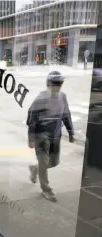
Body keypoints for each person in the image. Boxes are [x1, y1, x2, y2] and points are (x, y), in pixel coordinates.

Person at [26, 71, 75, 202]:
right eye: (55, 83)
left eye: (60, 83)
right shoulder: (41, 99)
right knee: (44, 161)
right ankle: (46, 189)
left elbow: (66, 115)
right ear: (48, 84)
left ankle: (35, 168)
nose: (58, 86)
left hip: (56, 135)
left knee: (53, 162)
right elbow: (31, 118)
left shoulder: (63, 97)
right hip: (41, 135)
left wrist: (71, 132)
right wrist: (31, 138)